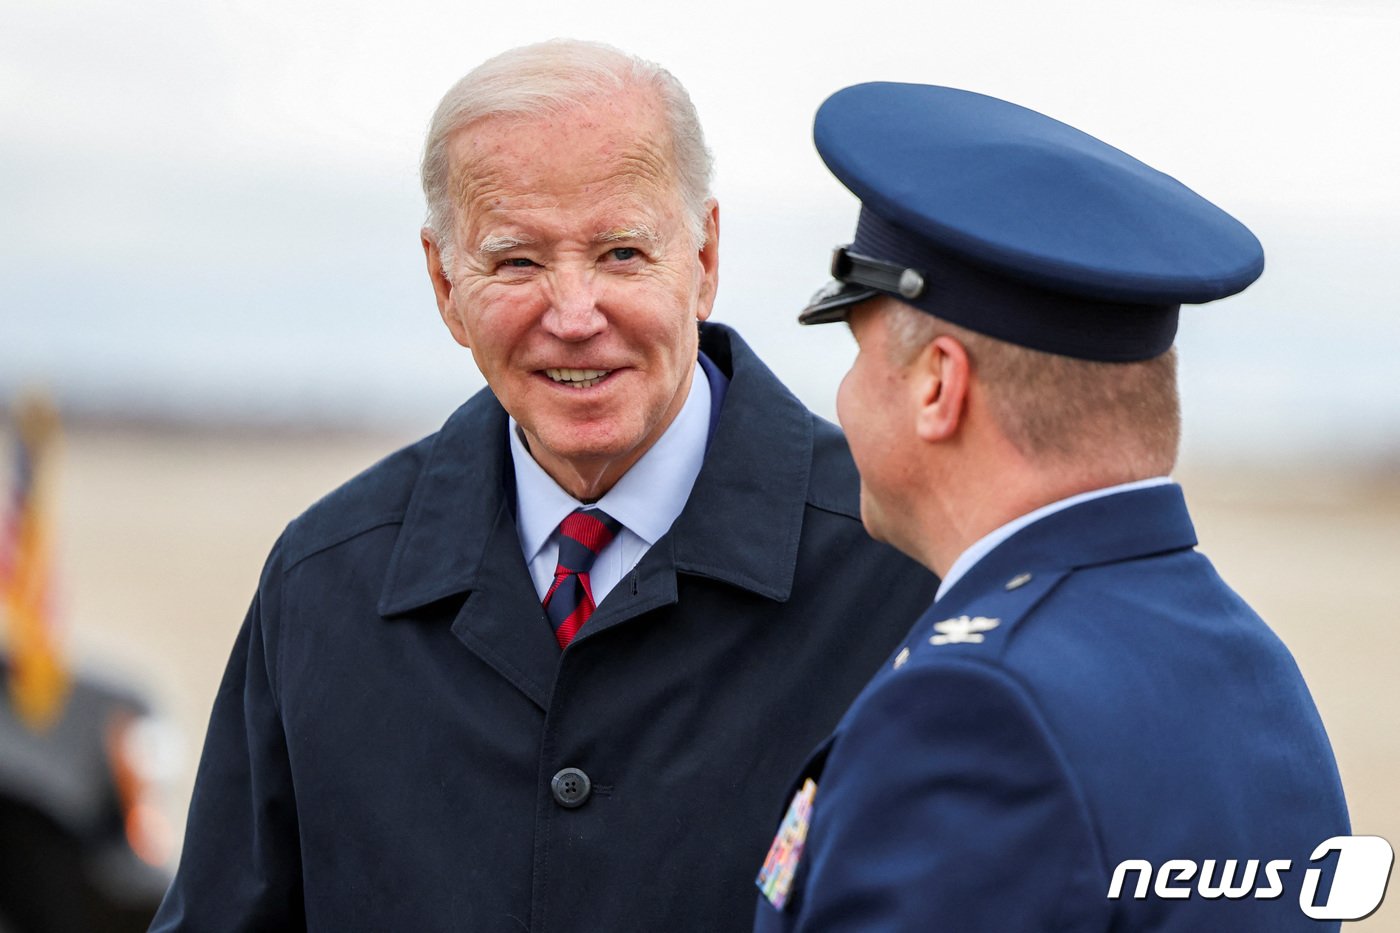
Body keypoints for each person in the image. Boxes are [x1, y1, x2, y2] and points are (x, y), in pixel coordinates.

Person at [149, 44, 939, 932]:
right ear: (446, 284)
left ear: (705, 258)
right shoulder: (323, 581)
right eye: (517, 262)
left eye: (622, 252)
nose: (572, 315)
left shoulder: (910, 569)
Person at [752, 82, 1352, 931]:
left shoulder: (973, 707)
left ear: (938, 386)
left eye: (860, 354)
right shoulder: (1246, 659)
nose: (844, 398)